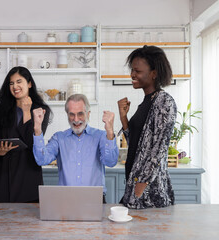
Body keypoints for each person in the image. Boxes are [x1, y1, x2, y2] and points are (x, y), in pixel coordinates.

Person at [117, 45, 177, 209]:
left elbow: (158, 150)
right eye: (132, 70)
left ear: (154, 73)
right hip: (135, 183)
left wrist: (139, 189)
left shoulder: (164, 102)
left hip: (149, 190)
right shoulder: (146, 102)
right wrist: (124, 118)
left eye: (137, 71)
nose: (132, 74)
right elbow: (136, 144)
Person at [32, 94, 118, 203]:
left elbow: (111, 162)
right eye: (71, 114)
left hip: (94, 200)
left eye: (80, 114)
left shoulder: (101, 136)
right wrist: (37, 128)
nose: (76, 119)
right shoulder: (59, 138)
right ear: (67, 115)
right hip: (66, 200)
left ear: (88, 114)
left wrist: (110, 131)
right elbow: (41, 160)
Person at [0, 66, 52, 203]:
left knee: (28, 223)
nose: (15, 86)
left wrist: (27, 111)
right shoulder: (0, 110)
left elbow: (32, 143)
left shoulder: (41, 110)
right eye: (11, 83)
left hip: (27, 179)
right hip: (1, 180)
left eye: (19, 81)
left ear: (29, 83)